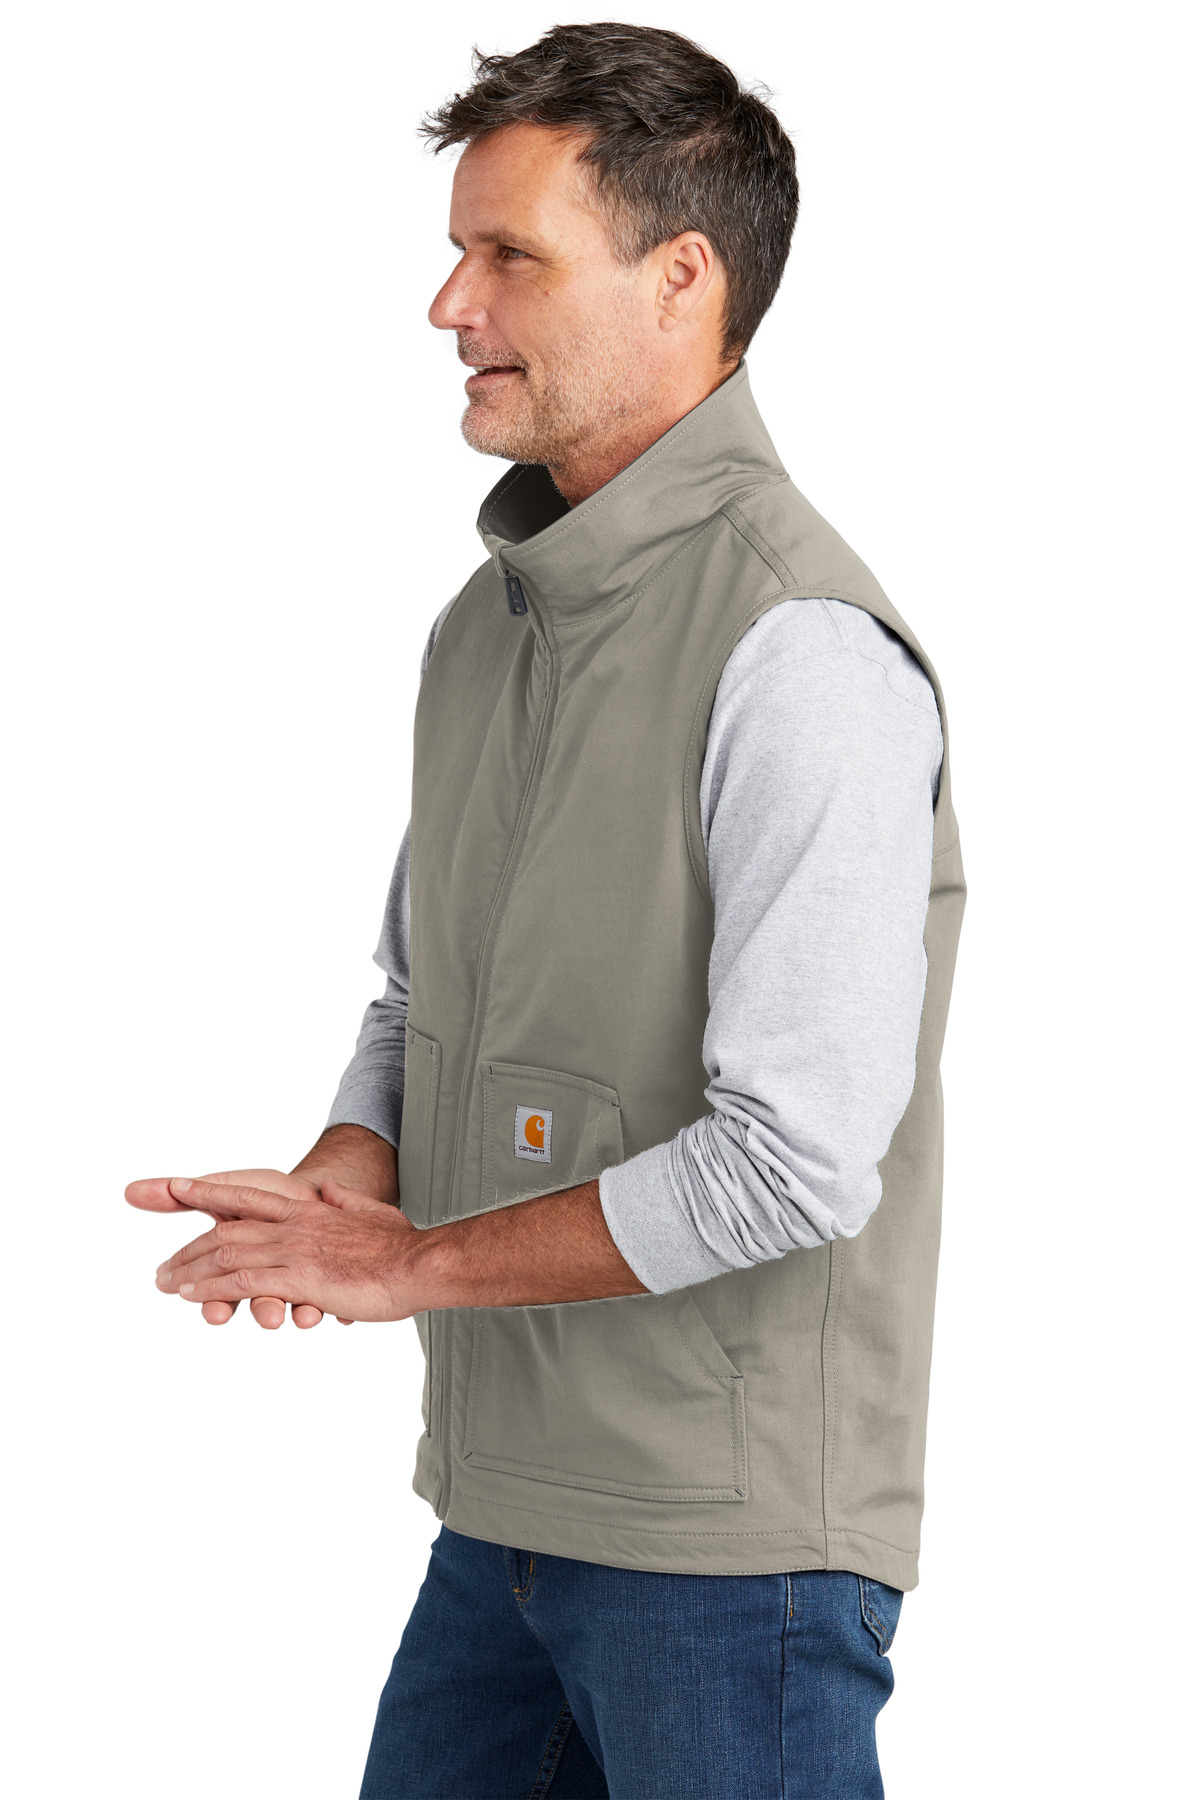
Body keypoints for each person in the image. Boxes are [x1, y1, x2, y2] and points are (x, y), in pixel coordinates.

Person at [128, 23, 965, 1799]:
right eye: (458, 250)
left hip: (730, 1561)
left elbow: (799, 1160)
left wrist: (410, 1266)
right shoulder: (485, 629)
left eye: (511, 256)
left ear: (683, 279)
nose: (451, 304)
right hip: (498, 1522)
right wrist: (351, 1166)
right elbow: (415, 993)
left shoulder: (802, 650)